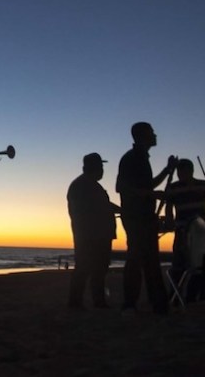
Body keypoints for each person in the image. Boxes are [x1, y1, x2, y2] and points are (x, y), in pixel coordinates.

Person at [116, 122, 177, 315]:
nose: (155, 135)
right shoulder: (132, 158)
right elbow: (123, 188)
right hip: (136, 217)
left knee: (150, 258)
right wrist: (152, 195)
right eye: (152, 132)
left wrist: (167, 171)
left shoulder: (141, 158)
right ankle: (131, 303)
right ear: (142, 136)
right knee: (137, 258)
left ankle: (157, 302)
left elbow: (147, 185)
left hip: (143, 216)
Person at [67, 153, 120, 309]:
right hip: (91, 235)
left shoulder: (88, 185)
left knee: (98, 269)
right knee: (87, 268)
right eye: (100, 167)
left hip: (95, 234)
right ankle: (78, 302)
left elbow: (104, 205)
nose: (102, 170)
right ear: (91, 168)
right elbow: (101, 206)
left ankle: (95, 301)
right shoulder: (83, 185)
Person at [163, 159, 205, 303]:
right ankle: (174, 295)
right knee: (179, 263)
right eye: (180, 172)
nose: (182, 175)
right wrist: (169, 219)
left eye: (184, 171)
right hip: (182, 229)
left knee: (199, 263)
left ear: (191, 171)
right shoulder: (174, 187)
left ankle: (192, 296)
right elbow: (168, 205)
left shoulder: (203, 185)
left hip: (200, 230)